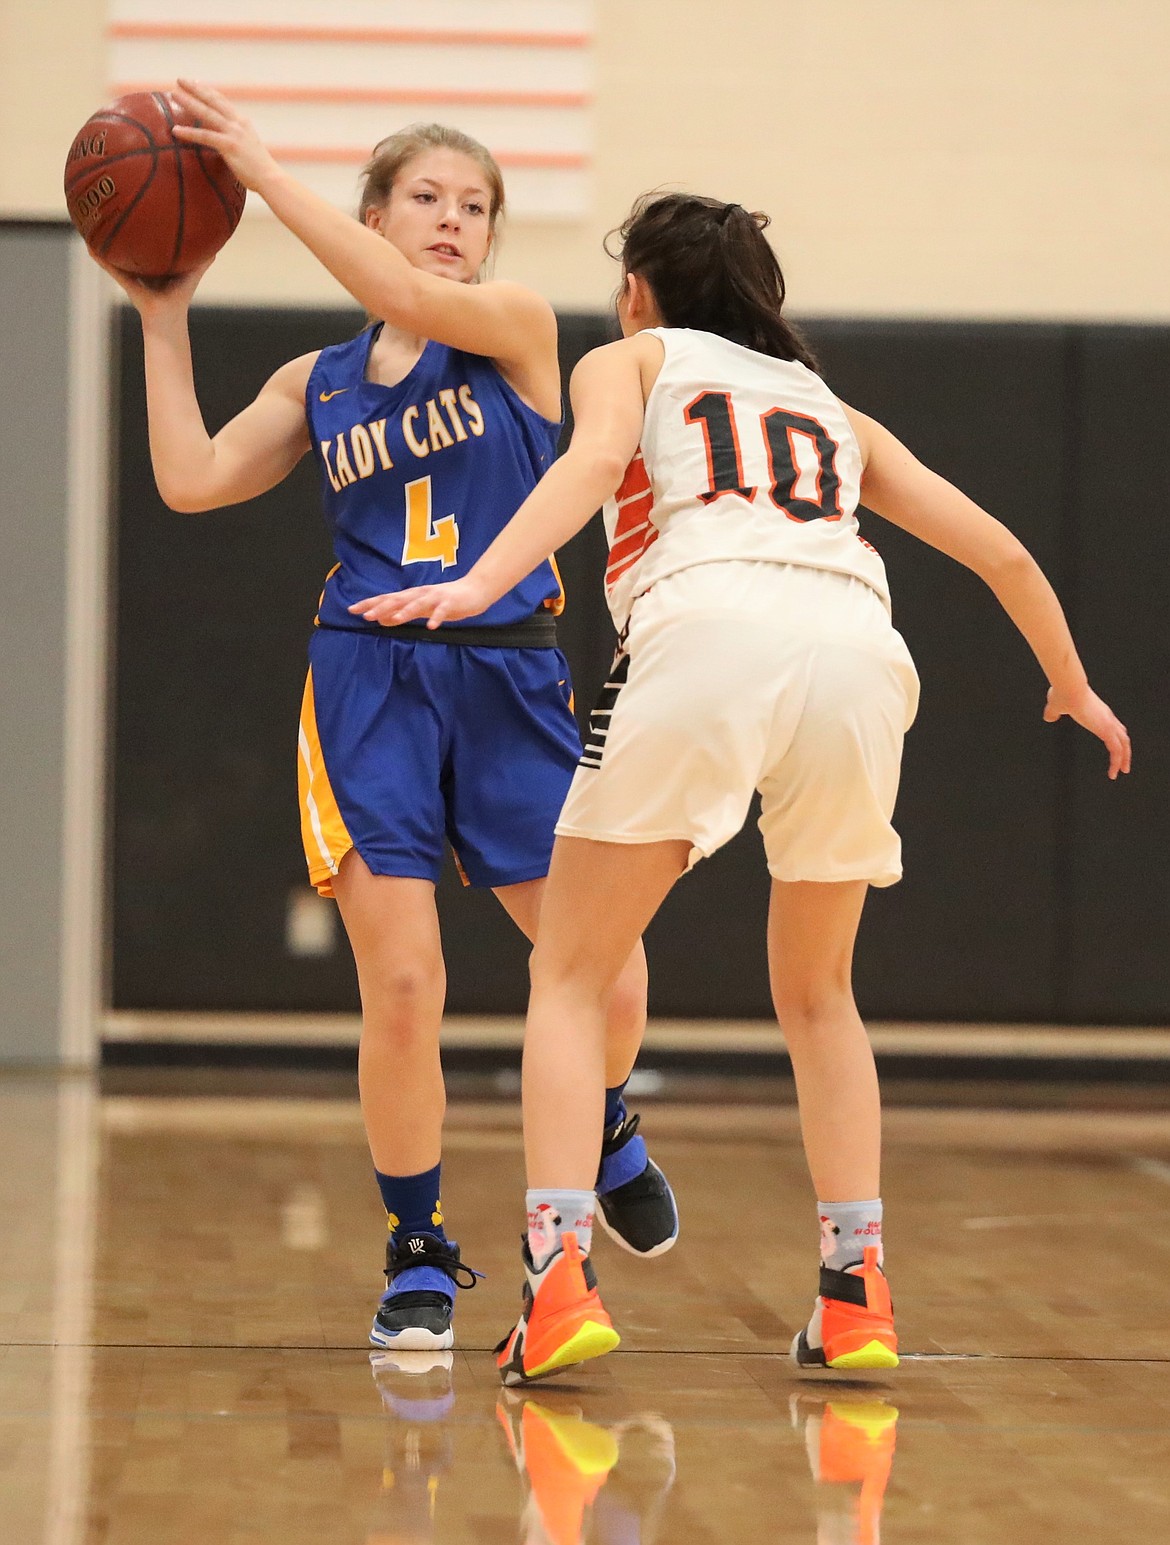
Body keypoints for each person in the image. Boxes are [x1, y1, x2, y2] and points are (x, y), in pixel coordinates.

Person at [356, 190, 1132, 1385]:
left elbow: (589, 471)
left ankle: (558, 1276)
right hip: (859, 652)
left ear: (638, 290)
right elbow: (1003, 550)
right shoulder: (833, 409)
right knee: (822, 996)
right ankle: (855, 1288)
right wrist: (1071, 682)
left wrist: (476, 581)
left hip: (708, 626)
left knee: (570, 973)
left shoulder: (634, 356)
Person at [94, 81, 680, 1353]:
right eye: (427, 198)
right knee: (404, 982)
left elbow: (413, 301)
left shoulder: (518, 330)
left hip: (511, 673)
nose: (454, 221)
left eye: (475, 207)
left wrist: (262, 175)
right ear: (378, 212)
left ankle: (610, 1107)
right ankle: (418, 1245)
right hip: (369, 684)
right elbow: (190, 481)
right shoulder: (320, 382)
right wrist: (164, 314)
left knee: (608, 968)